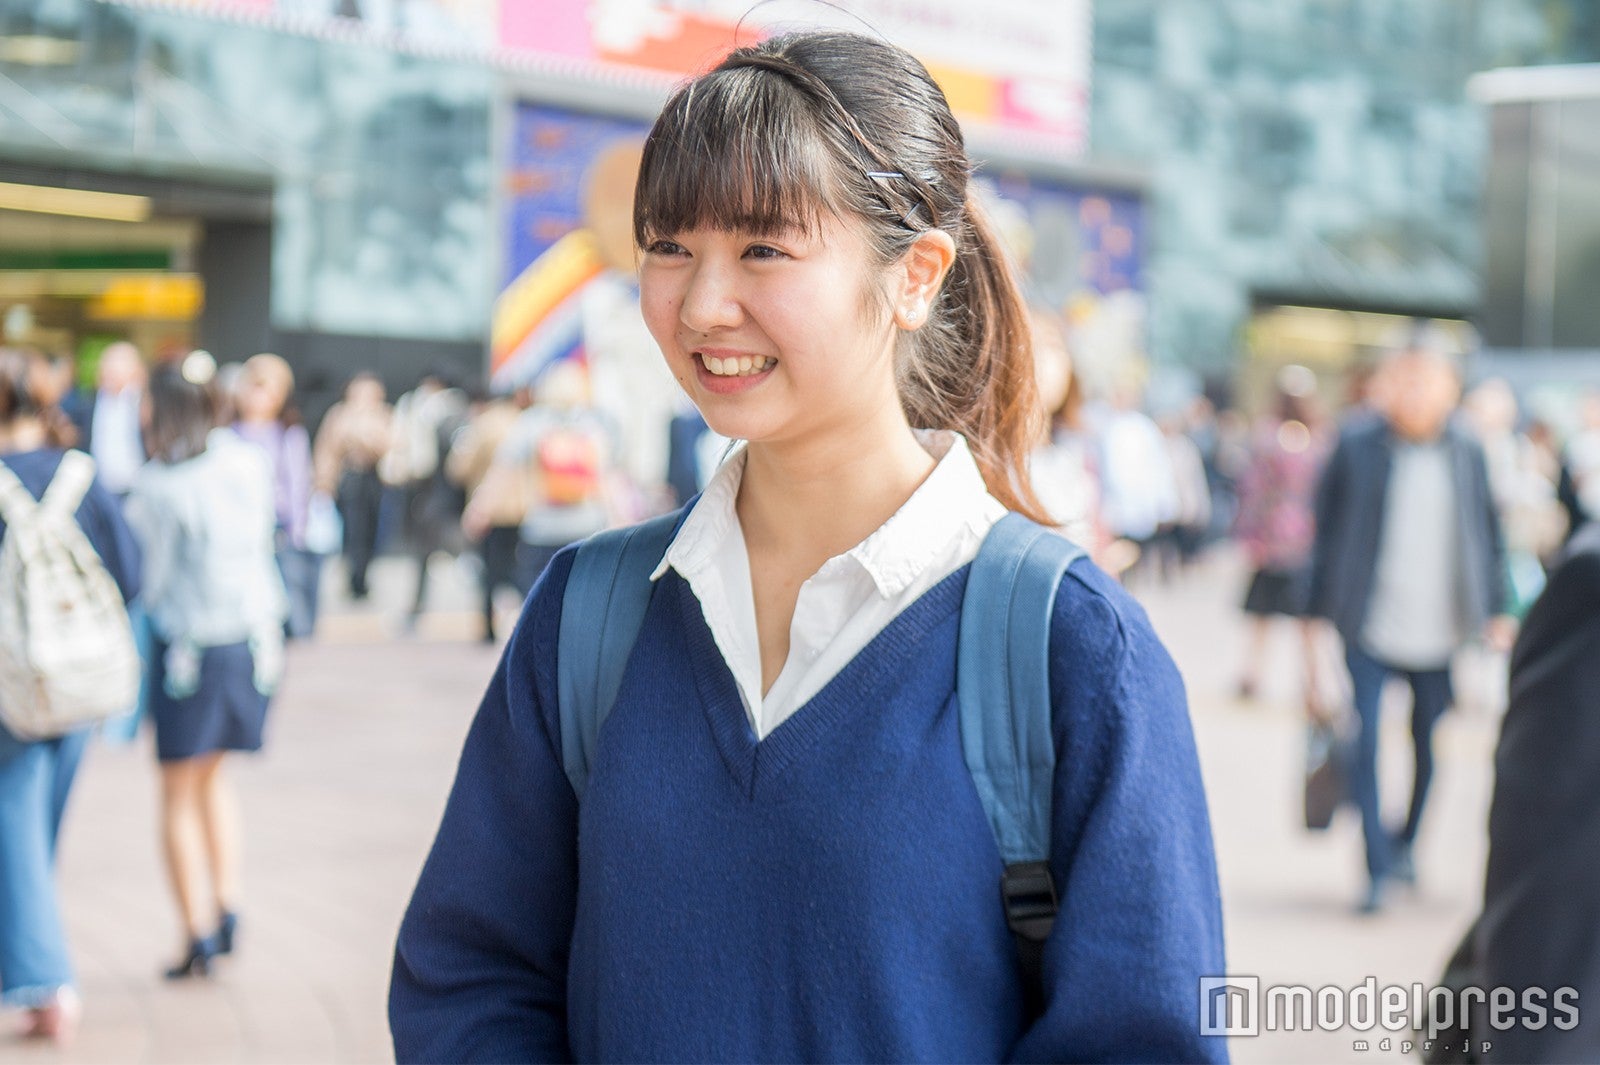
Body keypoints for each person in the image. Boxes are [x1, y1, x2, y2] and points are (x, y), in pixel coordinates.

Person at [390, 31, 1225, 1063]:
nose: (700, 305)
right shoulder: (590, 614)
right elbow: (471, 977)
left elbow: (1143, 1041)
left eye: (763, 249)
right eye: (668, 246)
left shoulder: (1074, 652)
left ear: (916, 275)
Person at [1308, 330, 1512, 914]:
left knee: (1429, 743)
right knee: (1365, 741)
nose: (1415, 392)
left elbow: (1487, 533)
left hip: (1443, 628)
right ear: (1385, 386)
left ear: (1451, 389)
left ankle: (1406, 844)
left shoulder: (1468, 449)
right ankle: (1374, 867)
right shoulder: (1356, 444)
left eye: (1428, 381)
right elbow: (1323, 534)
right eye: (1404, 379)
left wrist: (1495, 609)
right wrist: (1312, 623)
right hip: (1368, 622)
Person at [124, 356, 289, 980]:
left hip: (189, 655)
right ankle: (227, 904)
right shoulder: (246, 461)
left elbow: (153, 582)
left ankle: (194, 931)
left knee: (175, 791)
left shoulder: (157, 487)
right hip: (252, 644)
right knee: (215, 778)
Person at [0, 348, 141, 1043]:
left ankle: (45, 977)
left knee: (13, 820)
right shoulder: (81, 474)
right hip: (81, 677)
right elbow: (132, 572)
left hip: (9, 685)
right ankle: (33, 966)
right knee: (37, 822)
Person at [1234, 365, 1333, 713]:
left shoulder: (1270, 437)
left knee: (1269, 613)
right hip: (1301, 540)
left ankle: (1257, 675)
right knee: (1300, 617)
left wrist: (1252, 536)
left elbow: (1254, 490)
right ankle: (1310, 682)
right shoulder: (1318, 440)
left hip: (1278, 540)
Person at [231, 353, 320, 639]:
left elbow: (298, 484)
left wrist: (298, 530)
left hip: (275, 528)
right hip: (238, 526)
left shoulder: (288, 434)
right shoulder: (228, 432)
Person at [450, 386, 533, 642]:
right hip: (525, 508)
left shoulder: (484, 425)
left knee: (491, 570)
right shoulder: (526, 423)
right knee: (519, 567)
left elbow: (460, 468)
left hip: (491, 508)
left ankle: (488, 627)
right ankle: (529, 618)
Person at [312, 372, 394, 600]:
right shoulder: (339, 414)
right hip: (350, 478)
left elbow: (391, 444)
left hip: (375, 478)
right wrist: (323, 483)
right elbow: (327, 450)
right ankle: (354, 578)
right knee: (353, 530)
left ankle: (364, 575)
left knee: (372, 530)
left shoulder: (383, 414)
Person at [62, 341, 147, 499]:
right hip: (97, 491)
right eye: (107, 364)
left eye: (118, 364)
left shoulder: (144, 404)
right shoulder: (85, 405)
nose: (109, 370)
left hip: (138, 491)